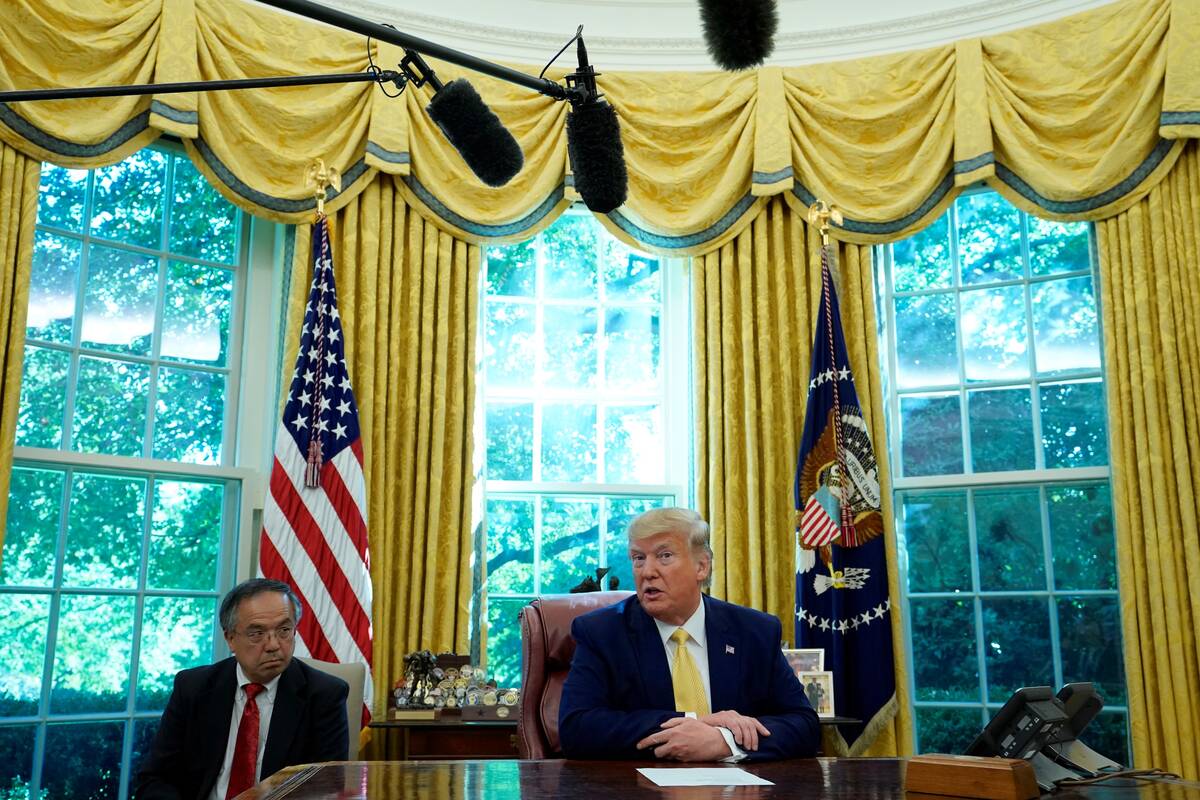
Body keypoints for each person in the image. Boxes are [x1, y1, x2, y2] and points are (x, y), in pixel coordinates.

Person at [558, 508, 821, 762]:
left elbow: (804, 725)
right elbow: (577, 728)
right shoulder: (602, 633)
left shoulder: (755, 631)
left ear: (701, 567)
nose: (648, 571)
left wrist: (723, 742)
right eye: (638, 558)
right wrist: (695, 721)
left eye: (664, 556)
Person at [135, 578, 349, 799]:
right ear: (230, 638)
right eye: (257, 634)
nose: (274, 645)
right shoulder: (193, 688)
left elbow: (327, 789)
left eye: (284, 630)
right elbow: (155, 779)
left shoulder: (324, 695)